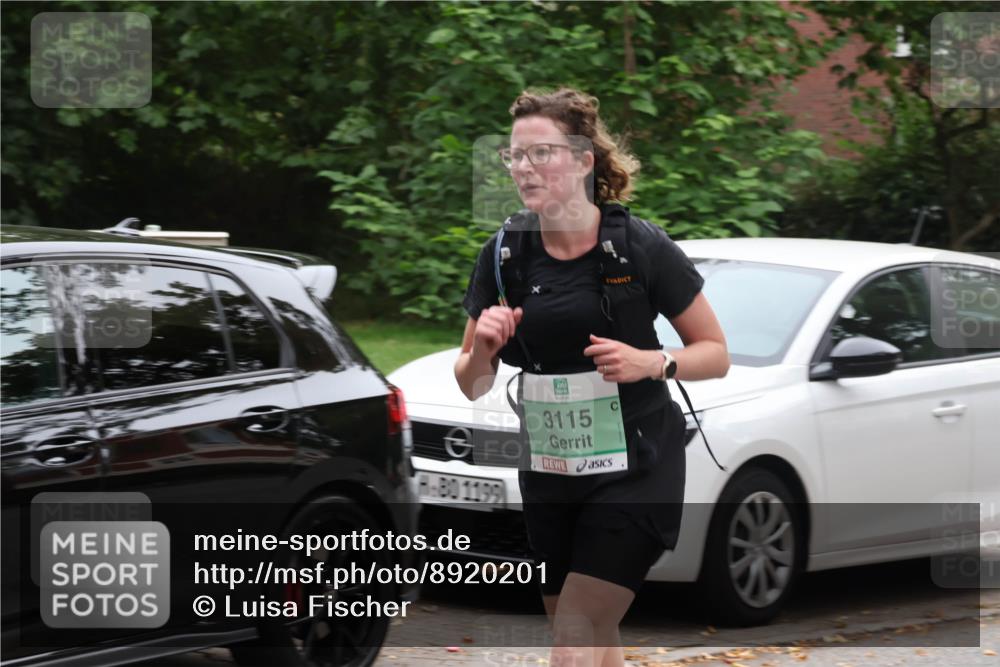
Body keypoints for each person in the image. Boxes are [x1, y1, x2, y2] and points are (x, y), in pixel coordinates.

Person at [455, 87, 730, 667]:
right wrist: (483, 348)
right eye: (515, 156)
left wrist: (651, 361)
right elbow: (472, 382)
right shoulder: (504, 254)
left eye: (542, 153)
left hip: (636, 468)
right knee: (592, 641)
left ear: (583, 161)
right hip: (551, 473)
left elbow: (715, 352)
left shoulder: (638, 247)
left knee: (573, 644)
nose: (524, 168)